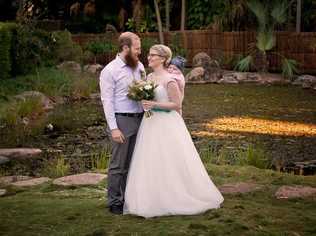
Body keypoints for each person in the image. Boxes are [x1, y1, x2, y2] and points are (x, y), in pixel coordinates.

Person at [123, 45, 224, 218]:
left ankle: (176, 196)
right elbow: (149, 98)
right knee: (151, 159)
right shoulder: (149, 77)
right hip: (150, 123)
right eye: (149, 54)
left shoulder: (170, 80)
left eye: (152, 55)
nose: (148, 57)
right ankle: (152, 197)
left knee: (170, 159)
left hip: (167, 123)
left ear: (163, 59)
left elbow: (176, 105)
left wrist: (154, 104)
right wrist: (145, 103)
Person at [99, 32, 145, 215]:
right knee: (118, 164)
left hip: (141, 119)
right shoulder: (109, 71)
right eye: (137, 48)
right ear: (125, 48)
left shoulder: (139, 66)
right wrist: (114, 128)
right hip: (122, 121)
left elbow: (143, 91)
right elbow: (107, 101)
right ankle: (115, 202)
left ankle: (129, 198)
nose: (140, 52)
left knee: (133, 163)